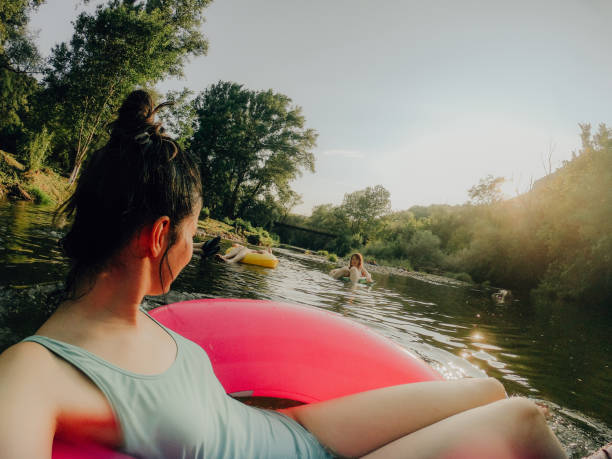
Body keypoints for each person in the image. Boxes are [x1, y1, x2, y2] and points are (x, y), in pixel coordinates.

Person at [0, 90, 568, 458]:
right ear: (157, 236)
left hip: (299, 431)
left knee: (490, 388)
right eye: (192, 235)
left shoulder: (133, 313)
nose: (193, 249)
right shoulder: (33, 371)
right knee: (519, 422)